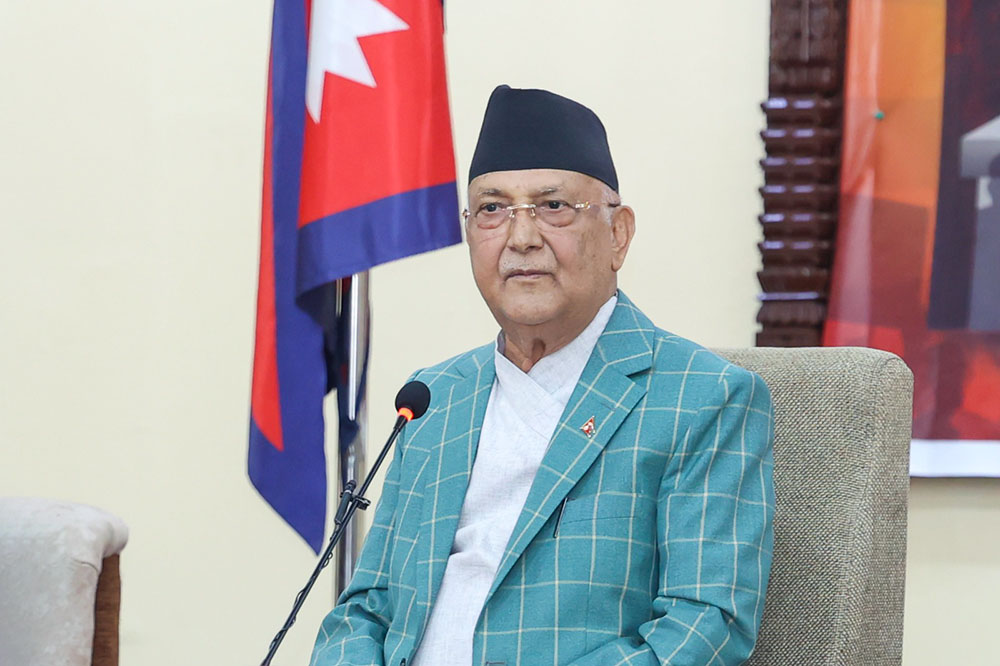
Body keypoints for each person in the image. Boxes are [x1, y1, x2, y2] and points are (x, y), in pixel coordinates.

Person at [311, 85, 775, 666]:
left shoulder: (701, 397)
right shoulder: (433, 399)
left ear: (618, 234)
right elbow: (365, 610)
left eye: (553, 206)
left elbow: (705, 625)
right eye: (492, 209)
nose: (521, 237)